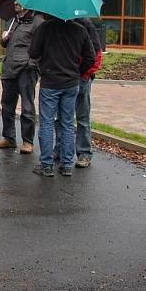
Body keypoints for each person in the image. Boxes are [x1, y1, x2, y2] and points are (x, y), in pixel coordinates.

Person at [28, 15, 95, 177]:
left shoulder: (45, 28)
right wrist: (77, 72)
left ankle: (46, 164)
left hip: (50, 82)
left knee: (47, 123)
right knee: (67, 123)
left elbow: (33, 52)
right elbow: (91, 57)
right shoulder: (80, 30)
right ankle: (66, 164)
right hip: (71, 83)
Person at [0, 2, 43, 154]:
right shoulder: (12, 21)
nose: (15, 3)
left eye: (19, 0)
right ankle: (9, 138)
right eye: (14, 0)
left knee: (27, 107)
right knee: (7, 105)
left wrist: (32, 63)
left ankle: (27, 142)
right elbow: (5, 43)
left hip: (26, 69)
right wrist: (3, 39)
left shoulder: (38, 22)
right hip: (9, 67)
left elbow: (41, 46)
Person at [54, 18, 103, 168]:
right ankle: (60, 149)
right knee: (61, 117)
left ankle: (84, 153)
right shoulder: (59, 24)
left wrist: (83, 73)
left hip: (81, 78)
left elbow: (96, 54)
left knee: (81, 117)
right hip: (65, 76)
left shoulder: (85, 25)